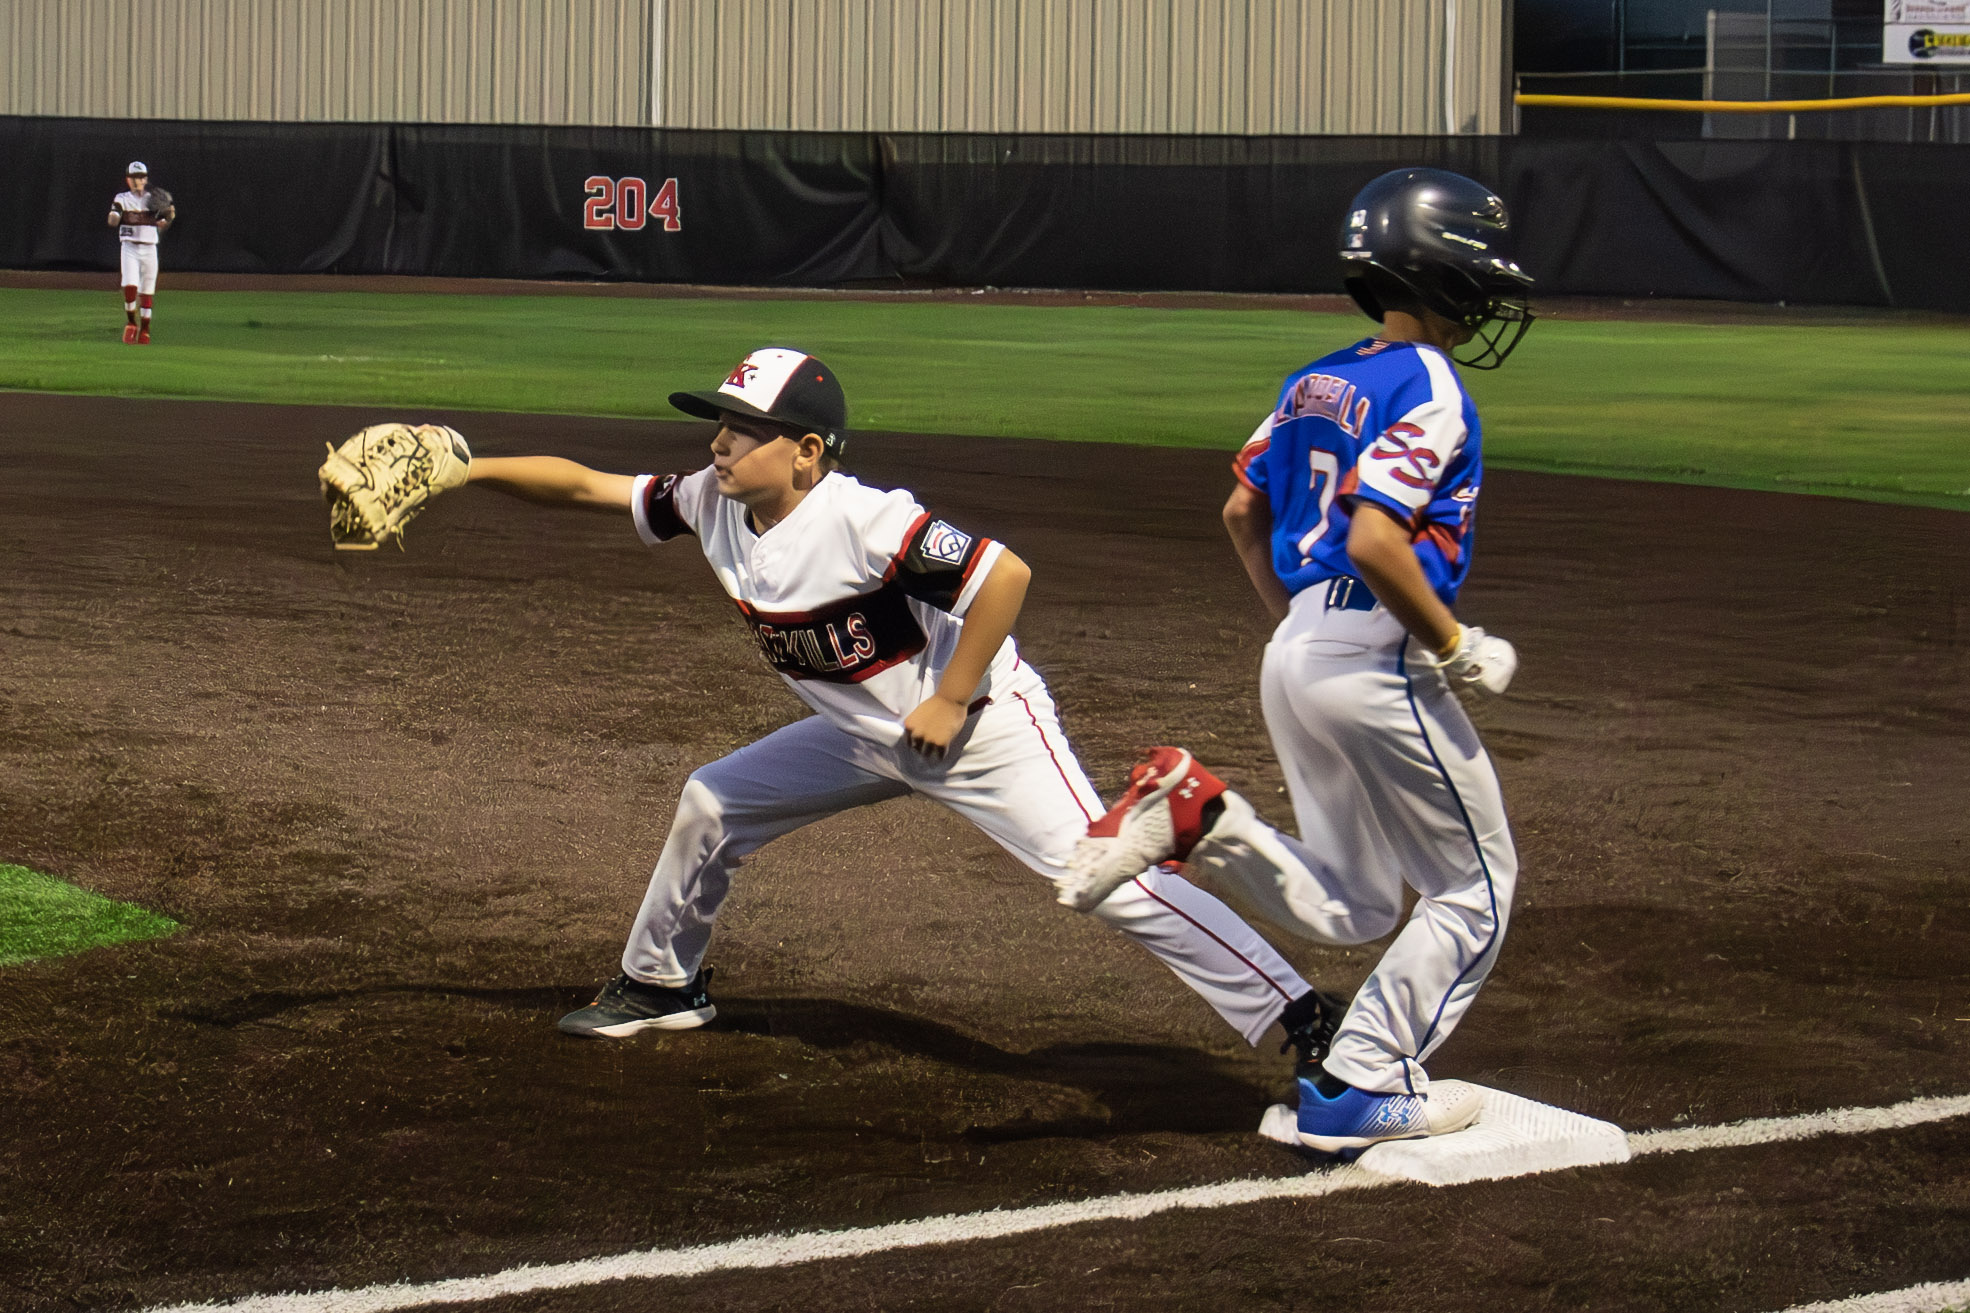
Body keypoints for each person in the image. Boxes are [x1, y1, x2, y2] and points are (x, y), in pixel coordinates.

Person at [456, 345, 1344, 1069]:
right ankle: (659, 984)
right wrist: (463, 470)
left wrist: (953, 699)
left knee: (1104, 877)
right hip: (864, 734)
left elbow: (1005, 575)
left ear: (807, 450)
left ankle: (1306, 1018)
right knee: (713, 800)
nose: (721, 442)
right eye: (721, 424)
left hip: (983, 730)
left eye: (747, 429)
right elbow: (583, 486)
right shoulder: (710, 503)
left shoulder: (864, 521)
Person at [1060, 168, 1536, 1155]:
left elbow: (1241, 508)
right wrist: (1454, 643)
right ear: (1441, 267)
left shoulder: (1313, 381)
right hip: (1371, 657)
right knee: (1474, 887)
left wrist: (1304, 626)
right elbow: (1372, 539)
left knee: (1356, 900)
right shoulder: (1432, 385)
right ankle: (1360, 1080)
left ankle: (1201, 814)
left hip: (1298, 652)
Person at [107, 161, 174, 345]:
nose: (137, 181)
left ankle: (145, 329)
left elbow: (164, 221)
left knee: (147, 290)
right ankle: (131, 324)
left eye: (140, 178)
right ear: (127, 180)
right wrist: (113, 217)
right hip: (129, 247)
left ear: (145, 179)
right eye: (133, 178)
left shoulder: (153, 199)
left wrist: (168, 217)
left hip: (149, 247)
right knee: (130, 286)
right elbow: (114, 216)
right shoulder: (122, 197)